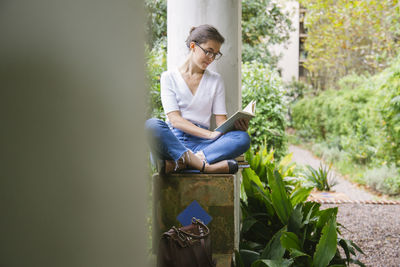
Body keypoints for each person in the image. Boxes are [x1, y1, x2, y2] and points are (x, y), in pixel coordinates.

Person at [146, 24, 250, 174]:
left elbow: (221, 121)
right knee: (151, 125)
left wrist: (235, 126)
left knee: (242, 138)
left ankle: (180, 164)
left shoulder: (216, 80)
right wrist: (209, 134)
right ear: (193, 46)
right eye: (209, 52)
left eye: (215, 54)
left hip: (204, 145)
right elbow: (175, 120)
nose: (211, 58)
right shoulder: (168, 77)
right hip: (175, 140)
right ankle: (205, 167)